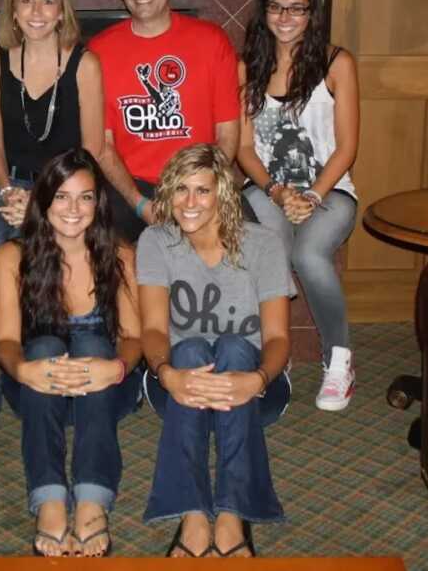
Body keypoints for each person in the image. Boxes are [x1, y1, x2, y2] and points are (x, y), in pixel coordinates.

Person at [138, 144, 294, 558]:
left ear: (222, 193)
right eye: (181, 190)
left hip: (257, 386)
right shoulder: (155, 241)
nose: (190, 203)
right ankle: (193, 516)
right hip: (176, 384)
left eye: (202, 191)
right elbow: (152, 329)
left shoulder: (262, 243)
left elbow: (277, 339)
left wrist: (257, 379)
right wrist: (166, 372)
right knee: (188, 348)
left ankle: (229, 517)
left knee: (233, 346)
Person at [0, 148, 142, 557]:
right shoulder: (13, 256)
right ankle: (50, 501)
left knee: (95, 345)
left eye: (86, 197)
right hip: (39, 391)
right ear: (43, 200)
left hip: (106, 390)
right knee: (41, 346)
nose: (74, 208)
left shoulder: (120, 254)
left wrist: (116, 366)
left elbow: (134, 337)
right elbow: (5, 341)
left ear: (99, 202)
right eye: (61, 196)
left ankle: (93, 501)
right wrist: (23, 370)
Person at [237, 0, 359, 411]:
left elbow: (346, 147)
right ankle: (275, 354)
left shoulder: (336, 63)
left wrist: (310, 195)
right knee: (270, 248)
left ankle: (339, 360)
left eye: (297, 8)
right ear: (264, 11)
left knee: (307, 254)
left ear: (312, 13)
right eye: (276, 7)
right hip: (266, 189)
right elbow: (244, 149)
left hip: (330, 190)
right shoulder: (247, 66)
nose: (285, 18)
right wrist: (276, 192)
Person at [88, 0, 241, 243]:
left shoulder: (211, 41)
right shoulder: (99, 51)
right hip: (131, 186)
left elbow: (227, 133)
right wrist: (140, 204)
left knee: (250, 249)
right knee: (100, 251)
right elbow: (101, 145)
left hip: (199, 179)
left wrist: (199, 192)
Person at [0, 0, 104, 246]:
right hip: (10, 186)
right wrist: (7, 191)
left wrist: (46, 199)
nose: (36, 11)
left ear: (61, 13)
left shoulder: (85, 65)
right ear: (14, 12)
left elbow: (93, 149)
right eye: (27, 0)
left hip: (68, 186)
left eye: (47, 1)